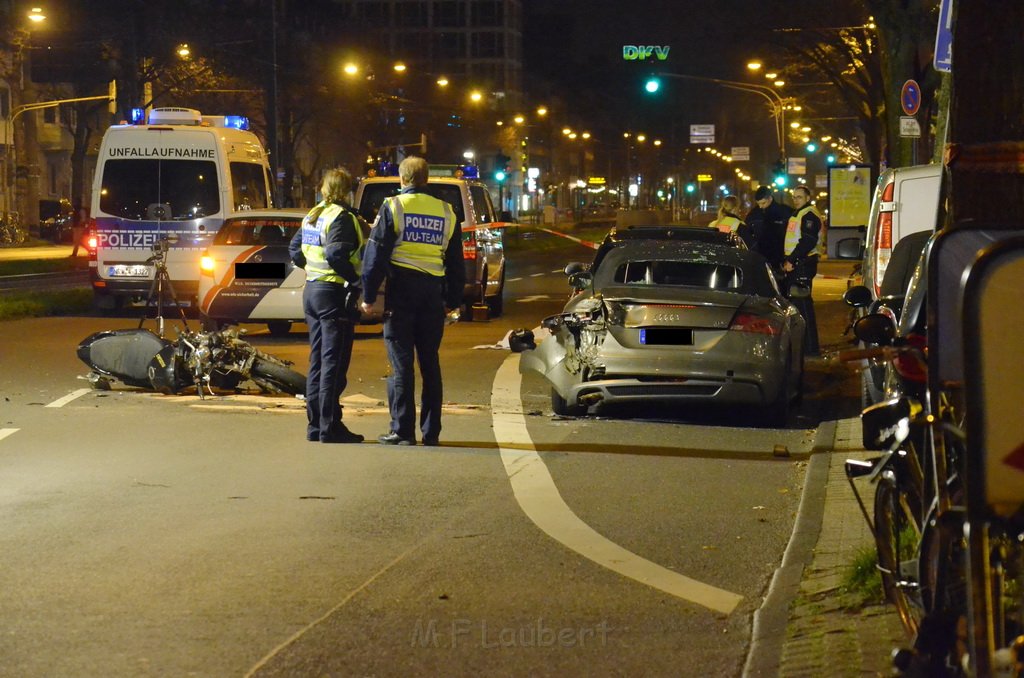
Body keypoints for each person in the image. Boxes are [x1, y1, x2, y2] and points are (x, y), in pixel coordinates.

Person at [360, 156, 465, 446]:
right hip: (432, 293)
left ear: (402, 179)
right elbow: (456, 262)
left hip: (402, 292)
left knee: (401, 363)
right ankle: (431, 432)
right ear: (426, 179)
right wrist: (452, 300)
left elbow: (375, 256)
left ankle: (402, 430)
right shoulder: (447, 211)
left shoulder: (393, 206)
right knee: (430, 363)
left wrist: (368, 297)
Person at [288, 167, 365, 444]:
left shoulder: (314, 214)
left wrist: (312, 270)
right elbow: (335, 253)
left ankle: (315, 425)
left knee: (318, 361)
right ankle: (330, 426)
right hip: (332, 293)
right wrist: (355, 280)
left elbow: (295, 250)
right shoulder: (341, 217)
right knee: (333, 362)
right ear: (346, 191)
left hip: (312, 290)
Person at [782, 185, 824, 356]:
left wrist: (792, 259)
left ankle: (811, 349)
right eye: (794, 196)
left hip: (803, 264)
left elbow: (808, 241)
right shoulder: (799, 213)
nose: (796, 199)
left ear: (807, 198)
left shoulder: (809, 215)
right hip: (797, 263)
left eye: (799, 196)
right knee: (798, 305)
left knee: (804, 305)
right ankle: (805, 347)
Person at [745, 185, 791, 269]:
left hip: (779, 257)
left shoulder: (783, 212)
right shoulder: (754, 214)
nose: (760, 206)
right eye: (758, 203)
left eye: (763, 203)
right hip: (759, 256)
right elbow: (747, 233)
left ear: (770, 198)